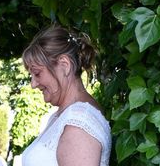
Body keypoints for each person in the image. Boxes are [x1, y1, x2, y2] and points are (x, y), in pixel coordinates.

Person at [21, 25, 111, 166]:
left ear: (64, 64)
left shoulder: (79, 122)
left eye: (37, 73)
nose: (33, 84)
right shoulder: (64, 116)